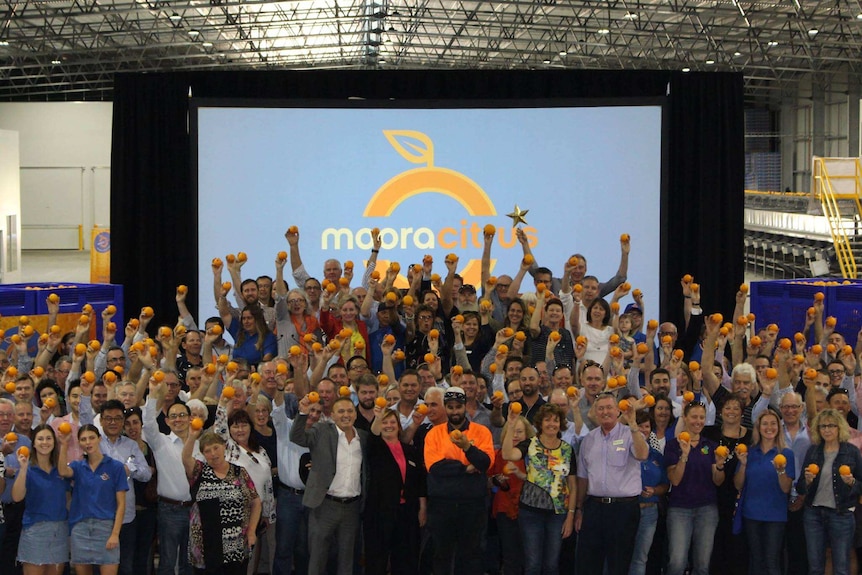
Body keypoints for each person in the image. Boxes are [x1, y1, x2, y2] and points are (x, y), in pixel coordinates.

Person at [289, 394, 368, 575]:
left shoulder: (363, 438)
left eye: (349, 411)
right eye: (340, 411)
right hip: (324, 504)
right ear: (332, 415)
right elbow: (297, 437)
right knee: (317, 557)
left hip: (352, 507)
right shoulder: (321, 431)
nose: (345, 415)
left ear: (355, 414)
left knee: (346, 559)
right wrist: (302, 413)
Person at [574, 393, 648, 575]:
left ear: (617, 411)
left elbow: (642, 455)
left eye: (609, 408)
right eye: (601, 408)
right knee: (588, 564)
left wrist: (632, 424)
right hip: (594, 508)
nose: (605, 412)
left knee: (619, 564)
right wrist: (579, 509)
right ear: (595, 413)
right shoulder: (588, 440)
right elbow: (583, 477)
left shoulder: (630, 433)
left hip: (623, 510)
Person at [424, 386, 495, 575]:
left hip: (473, 505)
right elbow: (435, 468)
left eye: (458, 406)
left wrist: (467, 448)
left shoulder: (481, 432)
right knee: (441, 554)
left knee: (472, 555)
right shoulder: (434, 433)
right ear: (445, 408)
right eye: (450, 407)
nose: (455, 411)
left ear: (465, 406)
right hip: (441, 505)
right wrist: (466, 467)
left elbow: (485, 463)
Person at [502, 403, 575, 575]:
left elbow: (573, 485)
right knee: (533, 564)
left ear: (561, 424)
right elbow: (507, 454)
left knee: (551, 565)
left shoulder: (567, 449)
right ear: (540, 423)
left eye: (556, 420)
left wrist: (571, 515)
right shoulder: (530, 444)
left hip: (558, 514)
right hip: (530, 512)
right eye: (547, 420)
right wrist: (511, 425)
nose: (552, 424)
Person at [182, 429, 261, 575]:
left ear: (224, 446)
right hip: (206, 546)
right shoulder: (199, 471)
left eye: (216, 448)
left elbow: (256, 501)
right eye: (207, 451)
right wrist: (193, 436)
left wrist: (251, 531)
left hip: (236, 544)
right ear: (203, 454)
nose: (213, 454)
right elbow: (186, 457)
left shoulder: (240, 472)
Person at [212, 395, 276, 575]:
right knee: (235, 562)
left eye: (244, 425)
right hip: (235, 513)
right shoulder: (229, 448)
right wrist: (224, 403)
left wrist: (267, 512)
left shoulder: (260, 450)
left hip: (258, 512)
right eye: (235, 425)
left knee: (251, 561)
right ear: (229, 429)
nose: (240, 429)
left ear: (251, 426)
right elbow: (219, 428)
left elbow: (267, 483)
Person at [664, 402, 727, 575]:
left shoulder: (712, 446)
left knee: (702, 564)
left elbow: (718, 481)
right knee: (677, 562)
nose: (698, 421)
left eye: (701, 417)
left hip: (707, 509)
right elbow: (675, 480)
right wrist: (684, 456)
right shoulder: (672, 446)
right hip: (679, 509)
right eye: (694, 417)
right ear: (685, 417)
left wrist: (720, 466)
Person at [797, 409, 862, 575]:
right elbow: (800, 487)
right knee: (815, 566)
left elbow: (860, 485)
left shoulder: (852, 452)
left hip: (841, 515)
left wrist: (852, 482)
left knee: (841, 566)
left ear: (839, 427)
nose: (827, 430)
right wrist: (808, 481)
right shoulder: (813, 451)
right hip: (813, 514)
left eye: (831, 426)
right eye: (823, 426)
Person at [58, 424, 128, 575]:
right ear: (79, 443)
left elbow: (121, 504)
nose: (88, 442)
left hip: (105, 528)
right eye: (83, 439)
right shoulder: (77, 466)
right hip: (80, 528)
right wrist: (64, 444)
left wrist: (115, 533)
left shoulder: (115, 467)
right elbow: (63, 471)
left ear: (99, 439)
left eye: (91, 438)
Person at [364, 406, 426, 575]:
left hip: (407, 512)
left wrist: (422, 507)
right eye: (385, 422)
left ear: (399, 426)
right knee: (377, 559)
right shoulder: (375, 448)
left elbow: (420, 481)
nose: (389, 425)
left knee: (406, 558)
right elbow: (373, 434)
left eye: (392, 422)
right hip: (380, 512)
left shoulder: (409, 450)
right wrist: (378, 418)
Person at [733, 410, 794, 575]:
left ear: (779, 428)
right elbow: (738, 485)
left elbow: (786, 488)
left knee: (772, 562)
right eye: (765, 424)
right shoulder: (749, 452)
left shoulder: (786, 454)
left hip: (775, 516)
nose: (769, 427)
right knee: (756, 560)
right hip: (751, 514)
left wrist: (781, 471)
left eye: (773, 424)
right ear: (758, 428)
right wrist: (744, 464)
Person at [98, 400, 152, 575]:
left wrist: (130, 470)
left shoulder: (131, 445)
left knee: (126, 566)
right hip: (100, 516)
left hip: (127, 517)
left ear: (122, 421)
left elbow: (146, 474)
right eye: (108, 418)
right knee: (100, 566)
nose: (113, 422)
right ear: (101, 421)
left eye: (117, 418)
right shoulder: (95, 444)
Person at [11, 424, 70, 574]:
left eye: (49, 438)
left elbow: (68, 499)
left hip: (60, 530)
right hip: (35, 531)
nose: (45, 442)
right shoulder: (28, 469)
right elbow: (17, 497)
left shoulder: (61, 469)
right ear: (34, 444)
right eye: (40, 439)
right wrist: (23, 468)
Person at [488, 413, 533, 575]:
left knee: (530, 557)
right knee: (510, 556)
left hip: (530, 510)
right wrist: (496, 481)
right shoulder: (499, 455)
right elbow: (488, 482)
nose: (515, 435)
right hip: (504, 510)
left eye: (520, 431)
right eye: (512, 430)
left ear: (527, 434)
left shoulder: (534, 455)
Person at [629, 410, 669, 575]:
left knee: (641, 557)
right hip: (627, 510)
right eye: (640, 425)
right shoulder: (625, 452)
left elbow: (665, 485)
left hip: (650, 511)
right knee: (620, 554)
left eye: (647, 426)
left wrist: (654, 490)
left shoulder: (657, 455)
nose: (644, 429)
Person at [123, 407, 159, 575]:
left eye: (135, 422)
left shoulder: (150, 449)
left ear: (141, 424)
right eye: (128, 424)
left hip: (148, 510)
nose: (132, 428)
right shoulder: (121, 450)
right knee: (126, 557)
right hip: (126, 512)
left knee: (144, 556)